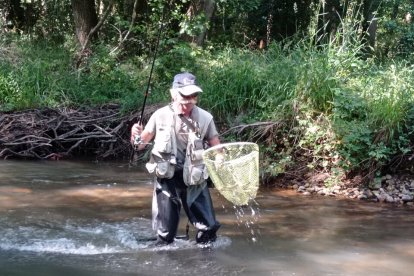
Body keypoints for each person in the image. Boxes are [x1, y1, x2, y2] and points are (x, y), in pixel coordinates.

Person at [130, 72, 221, 245]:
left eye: (193, 95)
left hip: (194, 178)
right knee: (166, 235)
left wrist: (222, 162)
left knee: (209, 228)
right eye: (185, 96)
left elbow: (216, 146)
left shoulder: (205, 118)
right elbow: (140, 145)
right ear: (173, 94)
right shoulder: (160, 115)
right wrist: (134, 135)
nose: (189, 100)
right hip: (167, 176)